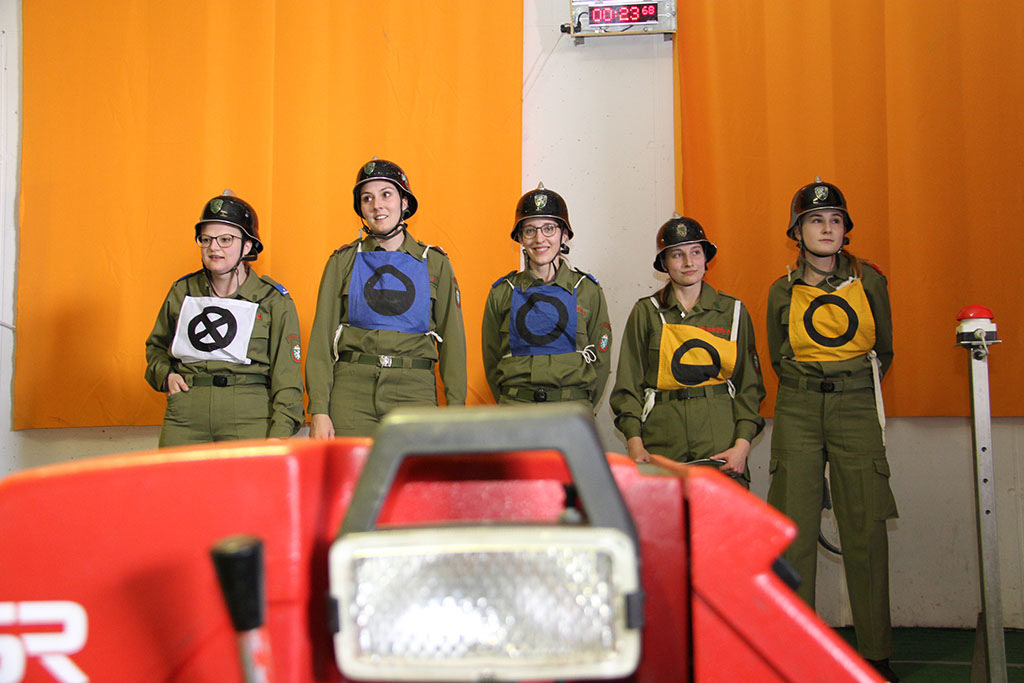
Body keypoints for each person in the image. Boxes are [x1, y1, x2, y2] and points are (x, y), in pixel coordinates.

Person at [765, 179, 898, 681]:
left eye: (835, 220)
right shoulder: (781, 290)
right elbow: (778, 354)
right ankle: (795, 653)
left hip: (855, 404)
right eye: (815, 220)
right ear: (797, 232)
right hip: (798, 407)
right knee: (794, 528)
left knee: (865, 528)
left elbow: (884, 350)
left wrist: (848, 387)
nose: (826, 228)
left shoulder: (870, 282)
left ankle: (876, 653)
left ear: (846, 230)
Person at [305, 158, 466, 438]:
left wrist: (456, 411)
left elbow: (453, 342)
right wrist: (318, 409)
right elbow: (321, 340)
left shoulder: (435, 263)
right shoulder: (342, 261)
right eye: (367, 198)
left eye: (386, 194)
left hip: (414, 392)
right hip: (351, 394)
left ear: (404, 202)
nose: (377, 205)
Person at [610, 214, 765, 485]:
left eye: (695, 252)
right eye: (677, 255)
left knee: (721, 513)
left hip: (720, 441)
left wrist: (742, 446)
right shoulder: (646, 312)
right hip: (662, 441)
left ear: (706, 257)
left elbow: (749, 387)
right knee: (665, 513)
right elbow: (628, 386)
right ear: (664, 263)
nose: (688, 262)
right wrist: (635, 444)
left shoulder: (733, 311)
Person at [145, 190, 305, 447]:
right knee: (174, 474)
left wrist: (280, 432)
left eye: (226, 239)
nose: (214, 247)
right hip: (186, 412)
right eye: (206, 239)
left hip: (250, 414)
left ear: (247, 246)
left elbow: (287, 376)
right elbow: (156, 347)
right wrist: (166, 376)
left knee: (248, 476)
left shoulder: (273, 300)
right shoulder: (183, 291)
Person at [481, 184, 612, 409]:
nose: (539, 239)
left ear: (564, 235)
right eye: (530, 230)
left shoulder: (587, 290)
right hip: (516, 409)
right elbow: (492, 361)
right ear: (520, 238)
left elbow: (601, 362)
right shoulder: (502, 293)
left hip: (572, 411)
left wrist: (581, 406)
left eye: (549, 229)